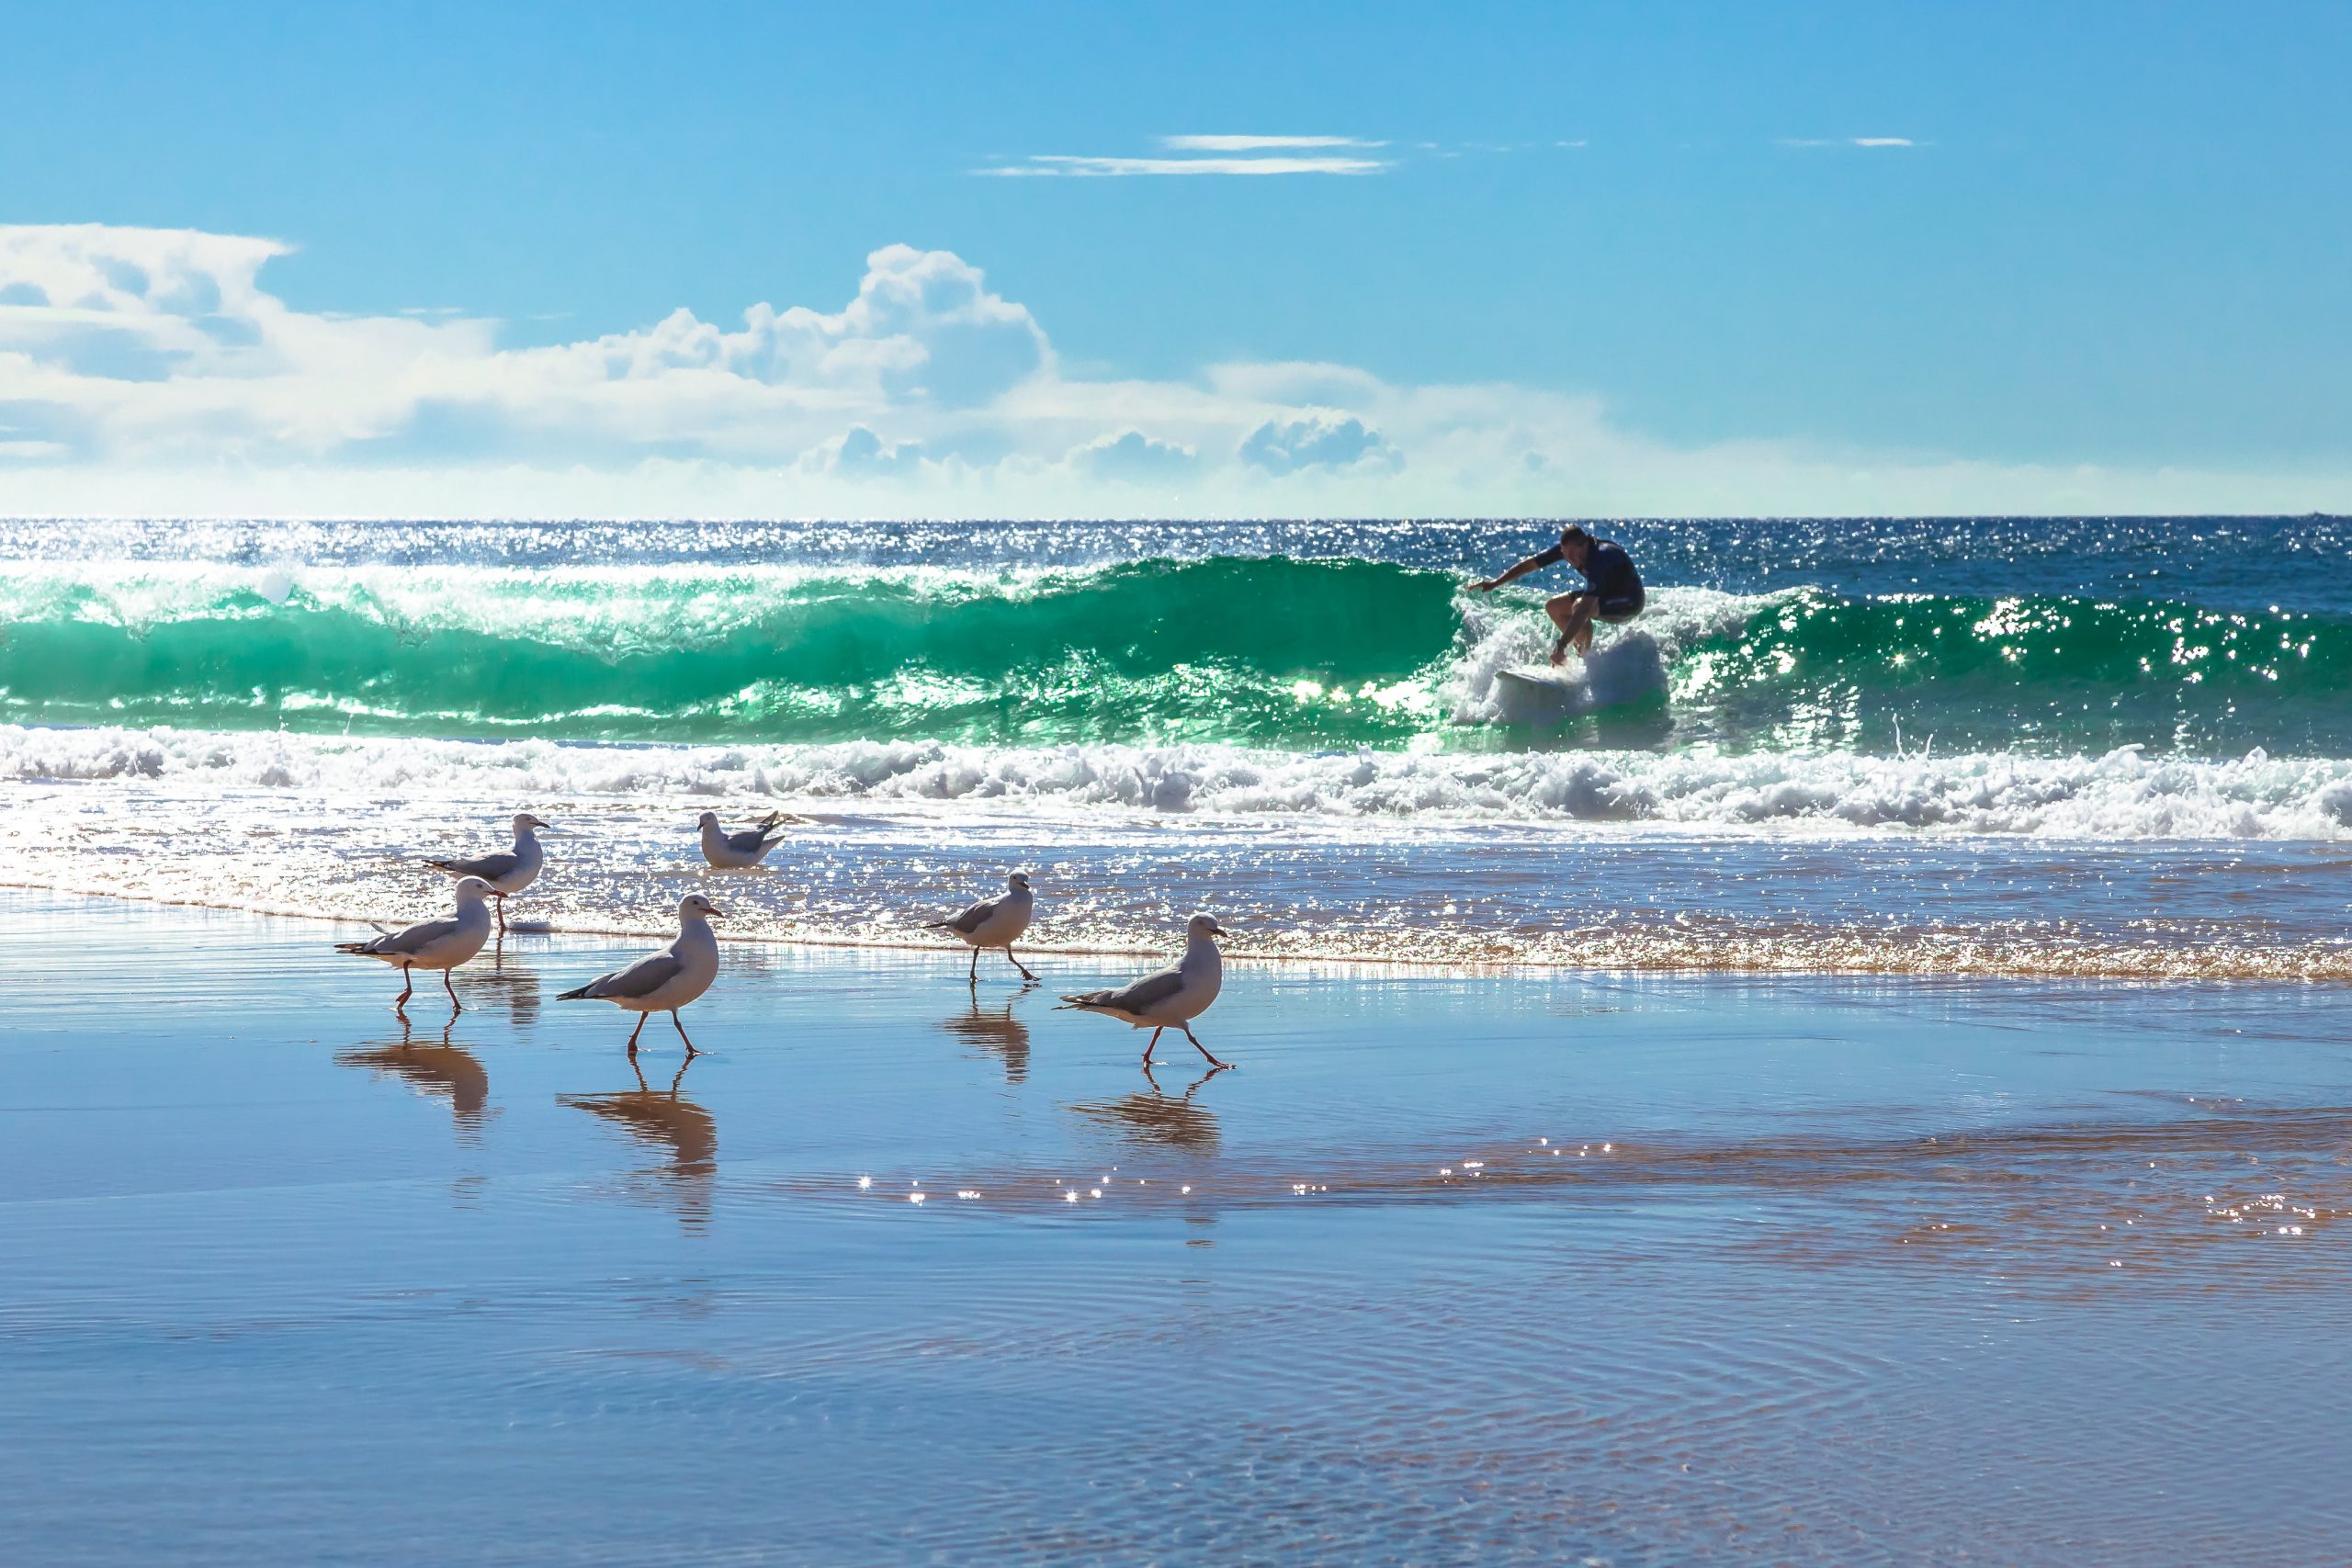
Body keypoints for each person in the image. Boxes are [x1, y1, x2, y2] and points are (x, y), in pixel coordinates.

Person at [1468, 525, 1645, 666]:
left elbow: (1584, 609)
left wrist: (1560, 645)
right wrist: (1494, 583)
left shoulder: (1600, 557)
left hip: (1629, 601)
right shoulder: (1569, 550)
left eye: (1572, 555)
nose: (1569, 560)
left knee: (1578, 606)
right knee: (1553, 606)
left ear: (1584, 545)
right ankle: (1579, 658)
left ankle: (1586, 661)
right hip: (1604, 595)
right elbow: (1530, 565)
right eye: (1565, 555)